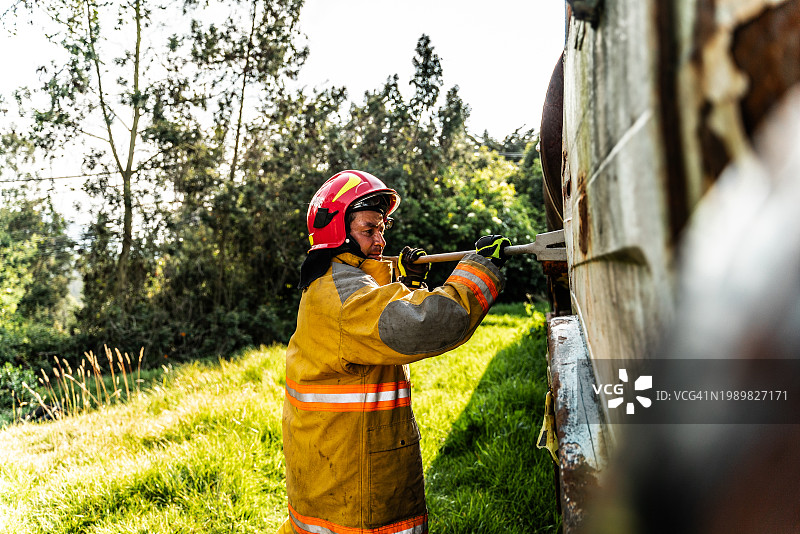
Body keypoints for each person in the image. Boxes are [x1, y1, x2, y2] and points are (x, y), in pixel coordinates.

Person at [279, 169, 512, 534]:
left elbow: (373, 311)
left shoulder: (332, 281)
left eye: (382, 228)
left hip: (331, 463)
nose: (380, 239)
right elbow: (426, 323)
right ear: (338, 233)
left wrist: (407, 283)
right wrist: (479, 270)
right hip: (354, 482)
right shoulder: (344, 298)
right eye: (368, 230)